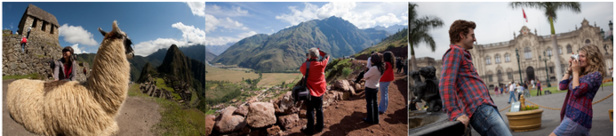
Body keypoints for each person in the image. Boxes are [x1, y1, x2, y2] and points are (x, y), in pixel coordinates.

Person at [438, 20, 512, 136]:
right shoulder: (454, 52)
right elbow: (445, 83)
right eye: (472, 35)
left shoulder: (462, 54)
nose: (475, 39)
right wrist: (454, 113)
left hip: (484, 108)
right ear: (462, 35)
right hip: (479, 109)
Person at [550, 45, 606, 136]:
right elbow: (562, 86)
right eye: (578, 56)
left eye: (583, 56)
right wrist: (570, 68)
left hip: (578, 118)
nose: (579, 59)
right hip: (569, 115)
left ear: (592, 58)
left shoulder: (596, 75)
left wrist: (575, 72)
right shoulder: (581, 73)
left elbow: (577, 91)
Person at [299, 48, 329, 135]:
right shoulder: (322, 64)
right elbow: (327, 55)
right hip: (320, 91)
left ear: (310, 56)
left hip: (310, 92)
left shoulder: (306, 65)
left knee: (310, 111)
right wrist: (319, 51)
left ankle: (310, 129)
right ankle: (320, 127)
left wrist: (308, 59)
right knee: (319, 109)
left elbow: (302, 70)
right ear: (317, 56)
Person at [363, 52, 384, 124]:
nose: (370, 60)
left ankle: (370, 119)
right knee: (375, 103)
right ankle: (376, 119)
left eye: (371, 58)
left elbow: (365, 76)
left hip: (369, 87)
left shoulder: (374, 68)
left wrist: (366, 71)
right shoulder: (381, 67)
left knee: (369, 104)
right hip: (376, 86)